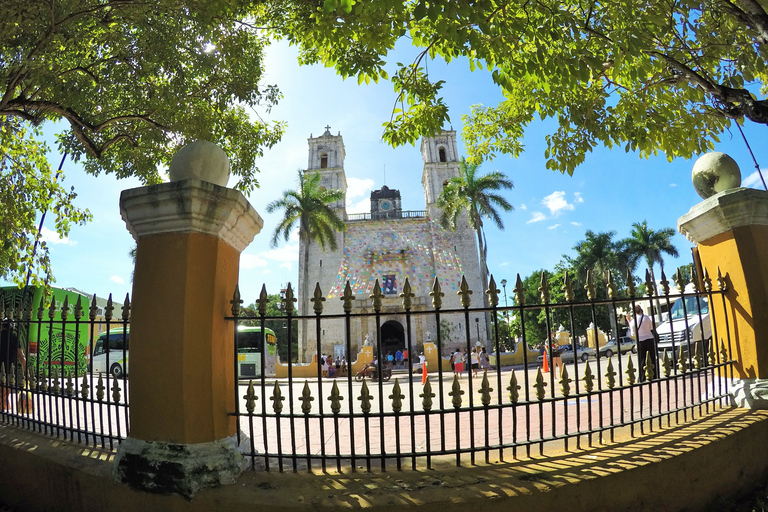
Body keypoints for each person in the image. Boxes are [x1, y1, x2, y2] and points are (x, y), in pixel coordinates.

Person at [628, 305, 657, 381]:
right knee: (652, 358)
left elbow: (633, 334)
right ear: (641, 310)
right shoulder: (646, 318)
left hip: (640, 340)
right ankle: (654, 375)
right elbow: (651, 328)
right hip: (650, 339)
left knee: (642, 360)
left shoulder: (633, 322)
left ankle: (642, 377)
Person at [0, 320, 25, 411]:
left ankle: (3, 406)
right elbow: (21, 356)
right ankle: (3, 406)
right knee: (5, 389)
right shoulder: (14, 338)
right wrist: (27, 371)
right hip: (9, 368)